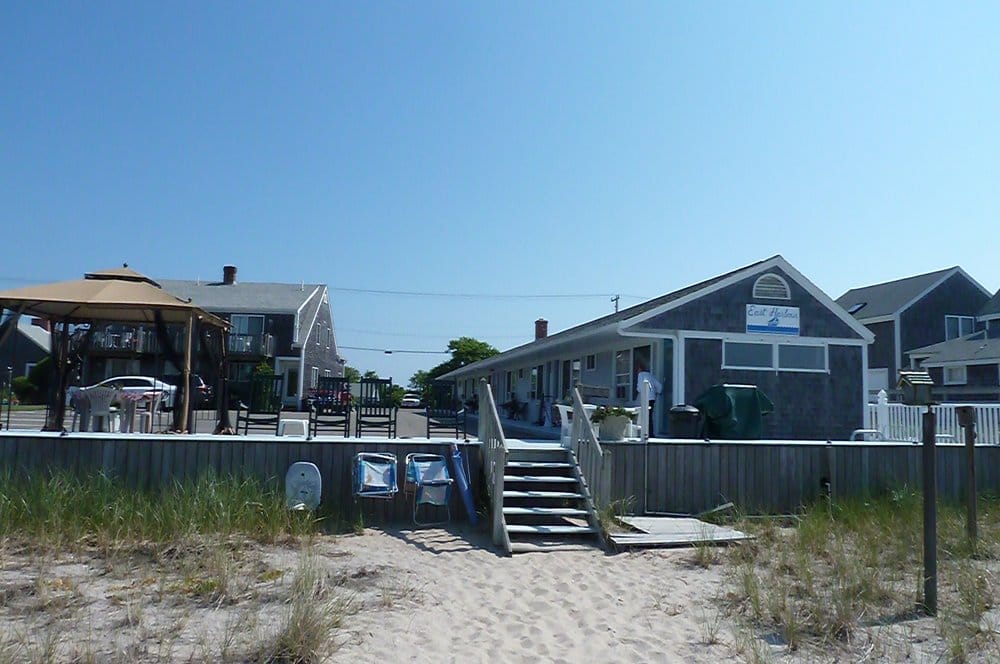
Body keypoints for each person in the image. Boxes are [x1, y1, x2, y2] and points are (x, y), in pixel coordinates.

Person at [635, 362, 663, 437]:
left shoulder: (640, 375)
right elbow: (659, 386)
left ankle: (646, 433)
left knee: (645, 416)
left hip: (645, 398)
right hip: (652, 398)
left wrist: (638, 390)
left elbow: (639, 388)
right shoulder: (650, 375)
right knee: (649, 416)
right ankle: (651, 433)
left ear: (640, 369)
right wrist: (658, 392)